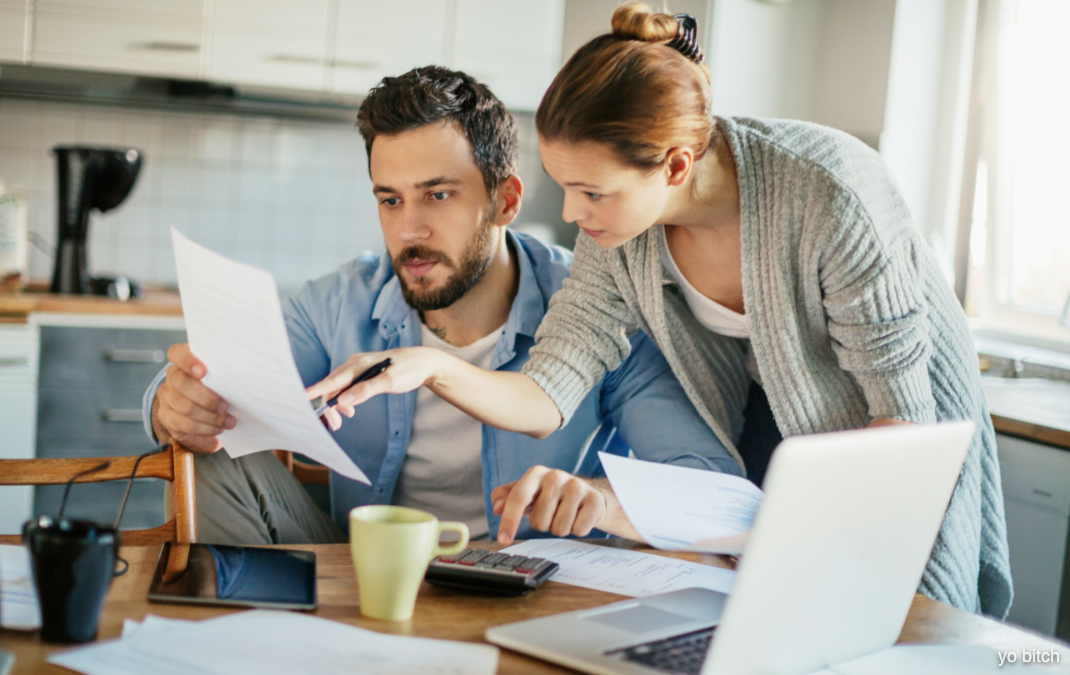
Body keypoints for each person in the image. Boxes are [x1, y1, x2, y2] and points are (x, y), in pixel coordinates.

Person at [307, 5, 1012, 617]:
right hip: (772, 438)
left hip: (885, 436)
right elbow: (550, 388)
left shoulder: (829, 194)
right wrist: (431, 367)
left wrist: (807, 533)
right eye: (564, 189)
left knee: (895, 620)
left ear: (675, 167)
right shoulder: (619, 237)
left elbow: (901, 430)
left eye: (593, 192)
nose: (575, 217)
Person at [144, 65, 734, 547]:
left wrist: (600, 498)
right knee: (206, 455)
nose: (409, 229)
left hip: (531, 586)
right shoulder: (337, 302)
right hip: (363, 572)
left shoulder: (597, 310)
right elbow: (218, 394)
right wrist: (173, 405)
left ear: (505, 200)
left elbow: (712, 488)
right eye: (390, 200)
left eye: (438, 195)